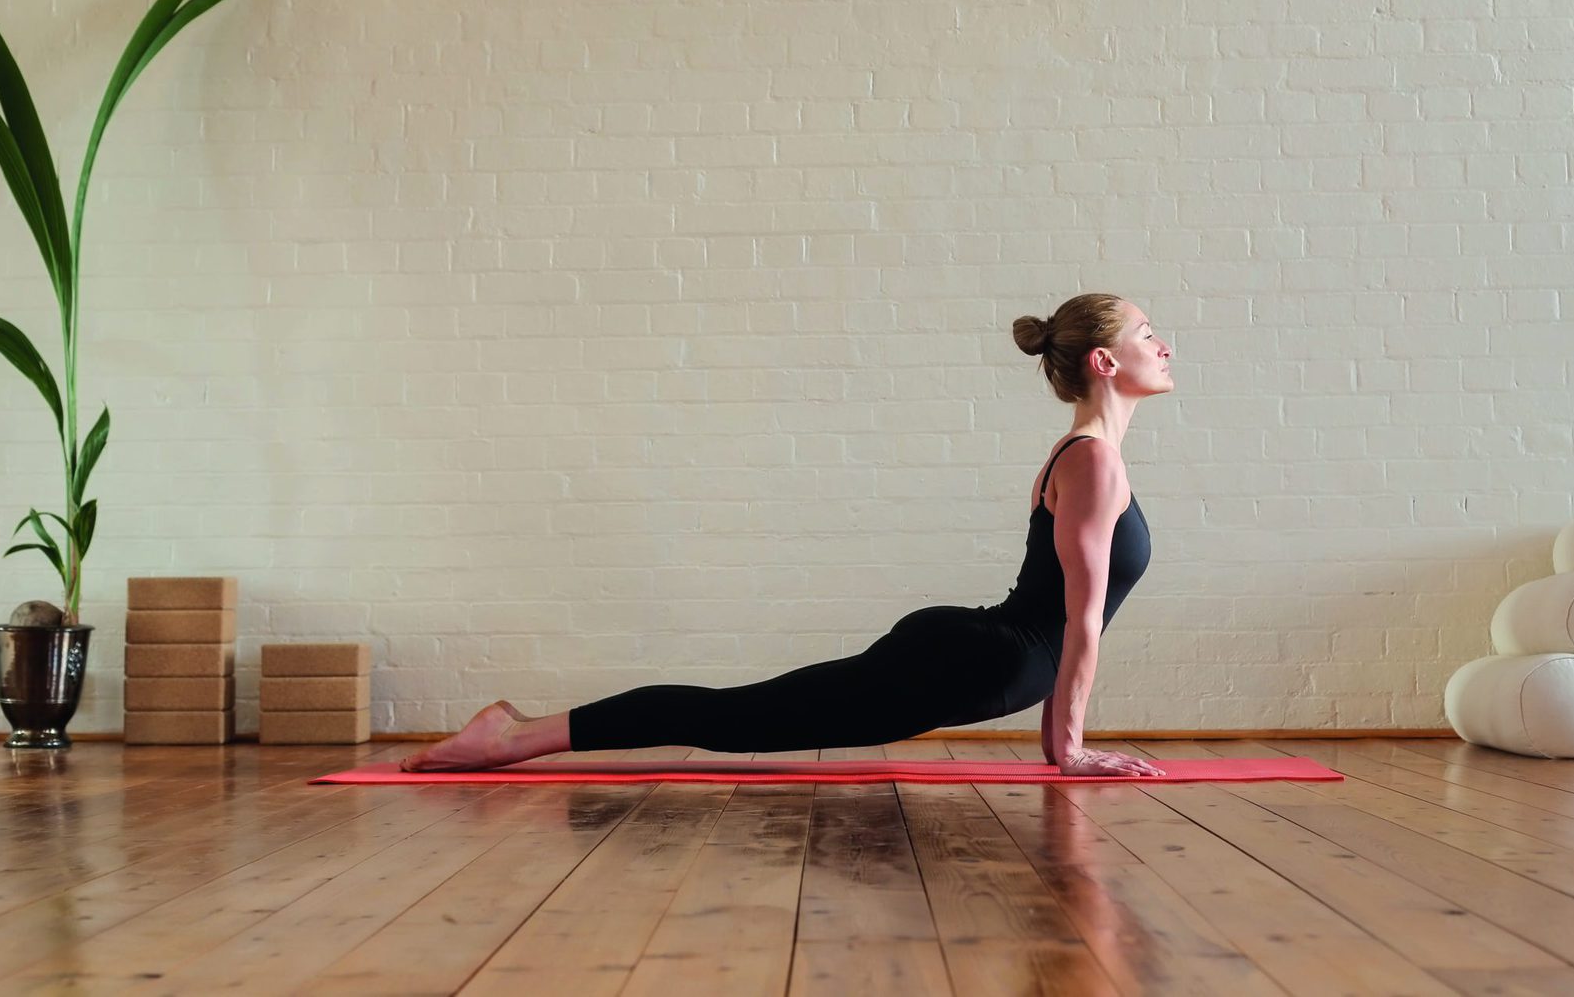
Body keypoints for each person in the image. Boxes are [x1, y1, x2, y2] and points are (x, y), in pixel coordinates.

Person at [400, 293, 1172, 777]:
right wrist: (1066, 749)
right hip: (973, 660)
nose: (1163, 343)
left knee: (740, 716)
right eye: (1148, 331)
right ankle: (511, 737)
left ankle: (518, 735)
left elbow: (1075, 619)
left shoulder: (1091, 457)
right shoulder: (1095, 462)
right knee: (736, 720)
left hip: (977, 659)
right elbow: (1079, 619)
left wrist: (1061, 743)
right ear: (1105, 360)